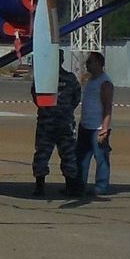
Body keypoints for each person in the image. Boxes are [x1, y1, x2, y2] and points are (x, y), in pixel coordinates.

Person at [32, 63, 80, 198]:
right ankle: (70, 186)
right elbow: (76, 98)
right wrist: (65, 109)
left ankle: (39, 187)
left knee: (42, 154)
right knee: (68, 155)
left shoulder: (42, 78)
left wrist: (48, 110)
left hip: (47, 122)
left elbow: (36, 96)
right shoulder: (70, 78)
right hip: (64, 122)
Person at [74, 51, 114, 198]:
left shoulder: (105, 82)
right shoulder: (90, 80)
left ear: (99, 63)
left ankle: (101, 186)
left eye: (90, 62)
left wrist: (104, 128)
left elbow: (107, 107)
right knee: (81, 158)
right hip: (85, 125)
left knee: (101, 158)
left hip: (97, 128)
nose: (87, 64)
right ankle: (79, 186)